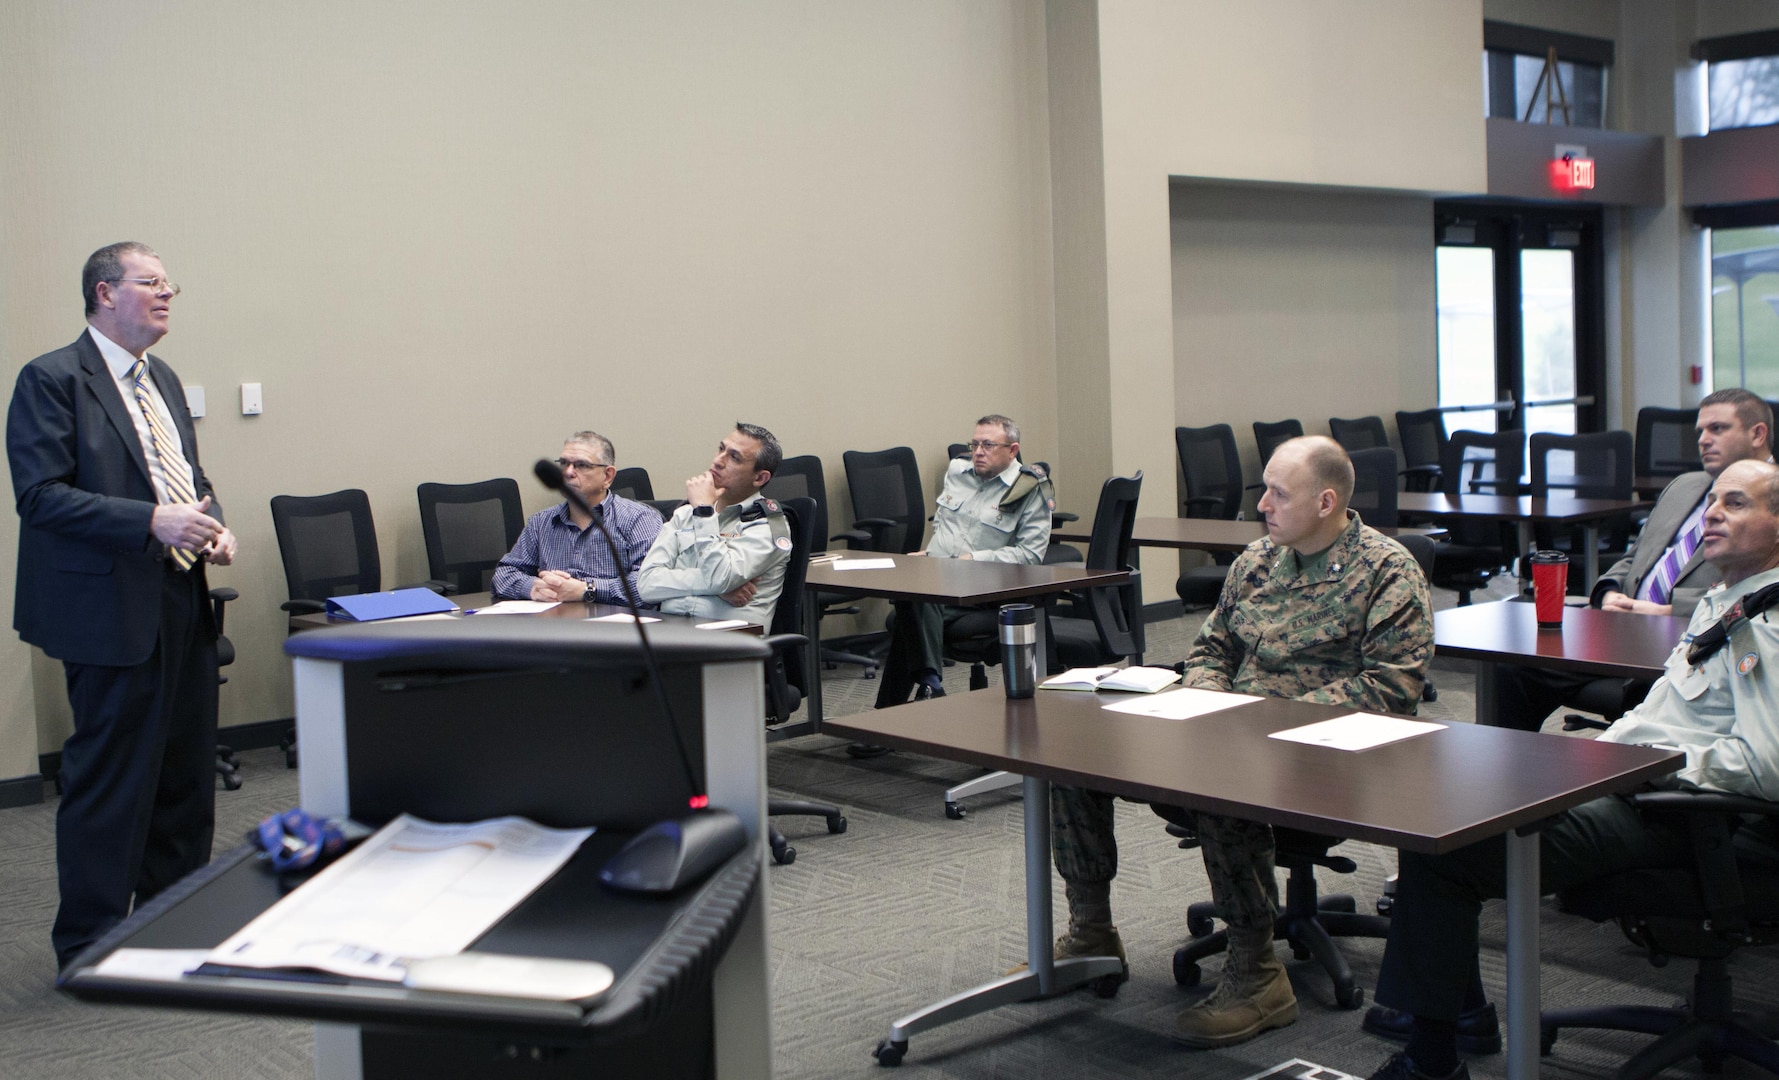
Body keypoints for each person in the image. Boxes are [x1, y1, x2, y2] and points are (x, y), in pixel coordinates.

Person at [1364, 457, 1779, 1080]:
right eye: (1713, 501)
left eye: (1738, 503)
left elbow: (1764, 766)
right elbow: (1663, 719)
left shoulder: (1765, 627)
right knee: (1451, 803)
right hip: (1639, 787)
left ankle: (1431, 1056)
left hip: (1690, 820)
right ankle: (1457, 1008)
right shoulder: (1726, 602)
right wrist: (1594, 758)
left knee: (1449, 850)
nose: (1712, 513)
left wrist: (1639, 766)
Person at [1048, 436, 1432, 1048]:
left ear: (1326, 501)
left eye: (1279, 493)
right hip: (1226, 729)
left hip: (1329, 754)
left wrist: (1260, 723)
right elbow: (1211, 649)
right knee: (1075, 757)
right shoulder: (1256, 561)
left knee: (1224, 782)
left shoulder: (1387, 570)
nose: (1263, 505)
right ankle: (1091, 932)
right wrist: (1209, 701)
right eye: (1265, 491)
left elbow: (1393, 688)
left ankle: (1257, 973)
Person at [7, 242, 239, 970]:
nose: (166, 293)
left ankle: (174, 920)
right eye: (151, 282)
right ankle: (92, 942)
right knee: (111, 779)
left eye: (171, 283)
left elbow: (188, 479)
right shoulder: (50, 379)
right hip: (105, 610)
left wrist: (212, 525)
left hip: (179, 593)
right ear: (105, 293)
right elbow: (40, 497)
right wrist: (150, 522)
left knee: (184, 771)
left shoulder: (162, 378)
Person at [1489, 389, 1772, 734]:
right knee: (1512, 664)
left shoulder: (1771, 504)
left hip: (1694, 641)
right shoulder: (1685, 486)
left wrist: (1663, 611)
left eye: (1717, 429)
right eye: (1700, 431)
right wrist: (1608, 592)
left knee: (1647, 698)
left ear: (1758, 433)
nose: (1703, 440)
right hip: (1620, 630)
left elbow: (1765, 589)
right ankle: (1516, 778)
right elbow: (1635, 556)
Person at [871, 415, 1054, 710]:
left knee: (911, 607)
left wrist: (972, 559)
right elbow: (944, 524)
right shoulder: (958, 470)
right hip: (942, 581)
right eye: (975, 444)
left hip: (987, 590)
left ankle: (895, 712)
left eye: (988, 445)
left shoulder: (1030, 488)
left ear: (1013, 449)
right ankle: (929, 685)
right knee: (913, 592)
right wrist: (930, 554)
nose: (978, 451)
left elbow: (1030, 556)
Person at [637, 422, 791, 627]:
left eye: (734, 457)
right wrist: (715, 588)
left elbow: (720, 577)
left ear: (759, 477)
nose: (718, 461)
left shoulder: (767, 527)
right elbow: (647, 585)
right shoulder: (685, 514)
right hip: (672, 636)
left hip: (730, 643)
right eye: (721, 449)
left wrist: (704, 512)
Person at [491, 431, 662, 605]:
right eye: (564, 463)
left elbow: (651, 585)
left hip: (615, 627)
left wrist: (586, 589)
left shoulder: (640, 519)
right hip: (557, 625)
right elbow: (504, 574)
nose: (568, 472)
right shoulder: (541, 522)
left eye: (581, 465)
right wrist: (533, 586)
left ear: (607, 476)